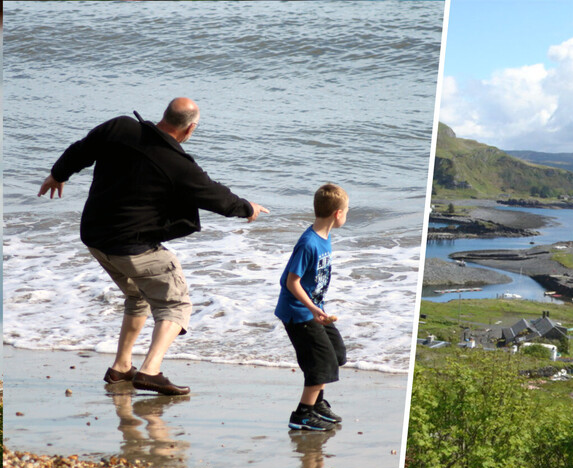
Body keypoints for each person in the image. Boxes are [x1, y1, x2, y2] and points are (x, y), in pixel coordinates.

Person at [38, 97, 268, 395]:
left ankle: (121, 367)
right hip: (131, 247)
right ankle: (150, 370)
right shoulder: (178, 164)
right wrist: (247, 208)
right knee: (176, 304)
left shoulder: (119, 127)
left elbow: (80, 150)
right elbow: (216, 197)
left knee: (138, 295)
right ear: (190, 129)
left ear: (165, 116)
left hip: (95, 237)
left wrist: (58, 175)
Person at [275, 183, 348, 431]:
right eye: (346, 210)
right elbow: (291, 282)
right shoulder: (309, 243)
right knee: (320, 363)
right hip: (298, 312)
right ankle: (303, 414)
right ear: (338, 213)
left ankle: (317, 404)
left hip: (314, 310)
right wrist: (314, 309)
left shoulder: (324, 237)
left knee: (336, 354)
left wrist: (318, 308)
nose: (346, 215)